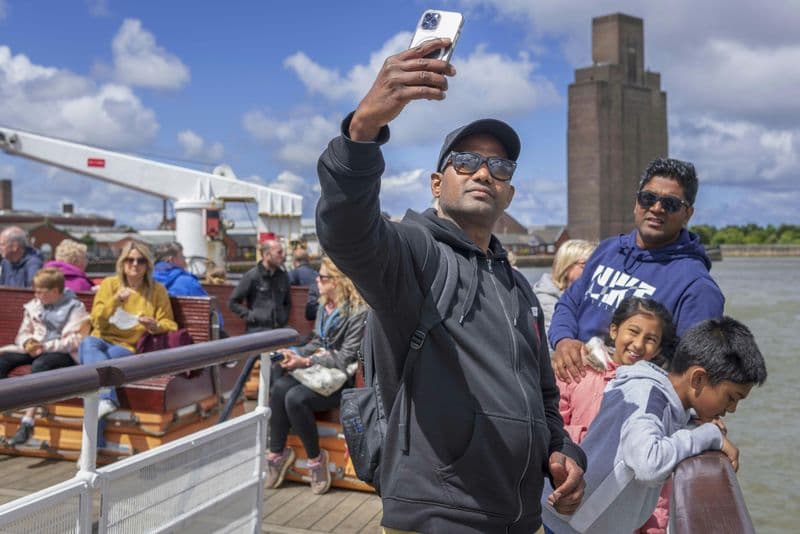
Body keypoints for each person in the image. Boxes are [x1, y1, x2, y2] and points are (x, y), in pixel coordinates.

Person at [316, 38, 585, 533]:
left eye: (500, 167)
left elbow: (543, 393)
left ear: (509, 192)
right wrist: (363, 130)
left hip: (519, 515)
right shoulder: (414, 254)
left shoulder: (519, 288)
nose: (484, 171)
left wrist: (561, 450)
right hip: (440, 514)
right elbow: (348, 231)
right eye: (466, 161)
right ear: (437, 184)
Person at [541, 316, 767, 533]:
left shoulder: (667, 402)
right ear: (698, 378)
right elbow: (648, 463)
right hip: (570, 523)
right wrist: (710, 435)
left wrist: (692, 423)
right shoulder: (647, 396)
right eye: (731, 397)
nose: (732, 409)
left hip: (582, 522)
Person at [549, 157, 725, 384]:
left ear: (687, 214)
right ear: (636, 202)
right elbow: (569, 303)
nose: (656, 208)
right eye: (648, 198)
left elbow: (692, 372)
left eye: (670, 203)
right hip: (569, 388)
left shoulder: (697, 286)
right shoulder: (608, 250)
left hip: (626, 404)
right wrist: (563, 340)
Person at [555, 297, 676, 534]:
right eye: (633, 331)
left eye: (651, 339)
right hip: (560, 506)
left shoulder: (657, 399)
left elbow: (658, 484)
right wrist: (586, 435)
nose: (639, 345)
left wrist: (654, 529)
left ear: (659, 348)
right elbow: (551, 428)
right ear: (614, 330)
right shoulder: (576, 370)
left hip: (616, 520)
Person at [266, 256, 367, 495]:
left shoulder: (357, 312)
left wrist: (308, 359)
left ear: (339, 281)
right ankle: (277, 453)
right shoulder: (324, 306)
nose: (317, 282)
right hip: (319, 374)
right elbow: (316, 342)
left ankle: (316, 460)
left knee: (295, 398)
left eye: (322, 277)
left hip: (341, 380)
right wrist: (293, 352)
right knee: (279, 386)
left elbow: (345, 357)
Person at [78, 241, 177, 419]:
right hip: (100, 339)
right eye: (130, 260)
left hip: (127, 346)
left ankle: (96, 437)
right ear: (122, 263)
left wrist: (155, 326)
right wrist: (115, 300)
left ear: (147, 265)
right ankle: (107, 398)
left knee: (94, 373)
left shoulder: (157, 290)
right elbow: (97, 319)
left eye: (141, 261)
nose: (135, 264)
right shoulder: (110, 285)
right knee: (88, 343)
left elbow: (170, 324)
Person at [0, 268, 90, 445]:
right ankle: (8, 404)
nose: (36, 294)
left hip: (61, 353)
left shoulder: (75, 308)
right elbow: (23, 333)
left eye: (40, 291)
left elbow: (75, 340)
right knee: (2, 362)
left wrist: (45, 346)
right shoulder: (34, 305)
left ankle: (28, 421)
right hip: (36, 348)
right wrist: (28, 342)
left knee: (40, 365)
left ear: (55, 291)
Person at [532, 240, 596, 335]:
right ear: (566, 266)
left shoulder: (592, 293)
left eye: (596, 265)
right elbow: (554, 341)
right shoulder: (545, 299)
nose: (594, 270)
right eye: (585, 265)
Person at [228, 239, 291, 333]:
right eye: (279, 252)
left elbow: (287, 303)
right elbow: (232, 302)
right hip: (257, 332)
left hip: (278, 332)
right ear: (266, 255)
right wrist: (250, 316)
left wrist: (283, 317)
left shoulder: (283, 276)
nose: (283, 256)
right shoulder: (252, 276)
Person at [288, 246, 320, 321]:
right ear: (308, 260)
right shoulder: (318, 276)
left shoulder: (293, 274)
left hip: (295, 318)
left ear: (294, 261)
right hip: (313, 318)